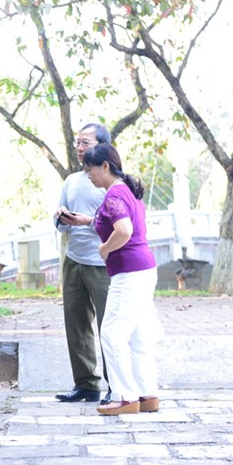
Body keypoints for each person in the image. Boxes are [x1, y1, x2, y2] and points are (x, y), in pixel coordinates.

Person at [81, 143, 162, 415]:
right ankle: (146, 393)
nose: (88, 175)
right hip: (144, 269)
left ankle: (125, 397)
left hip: (128, 273)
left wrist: (104, 249)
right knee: (138, 335)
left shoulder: (114, 195)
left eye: (90, 169)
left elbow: (124, 230)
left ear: (105, 166)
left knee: (112, 333)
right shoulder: (127, 190)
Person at [53, 123, 112, 404]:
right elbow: (62, 227)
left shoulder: (111, 184)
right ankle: (86, 384)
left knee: (108, 326)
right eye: (78, 142)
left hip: (102, 263)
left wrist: (87, 223)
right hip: (74, 260)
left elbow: (119, 226)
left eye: (85, 143)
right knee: (76, 326)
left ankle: (117, 386)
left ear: (102, 146)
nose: (79, 148)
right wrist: (61, 218)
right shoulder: (72, 181)